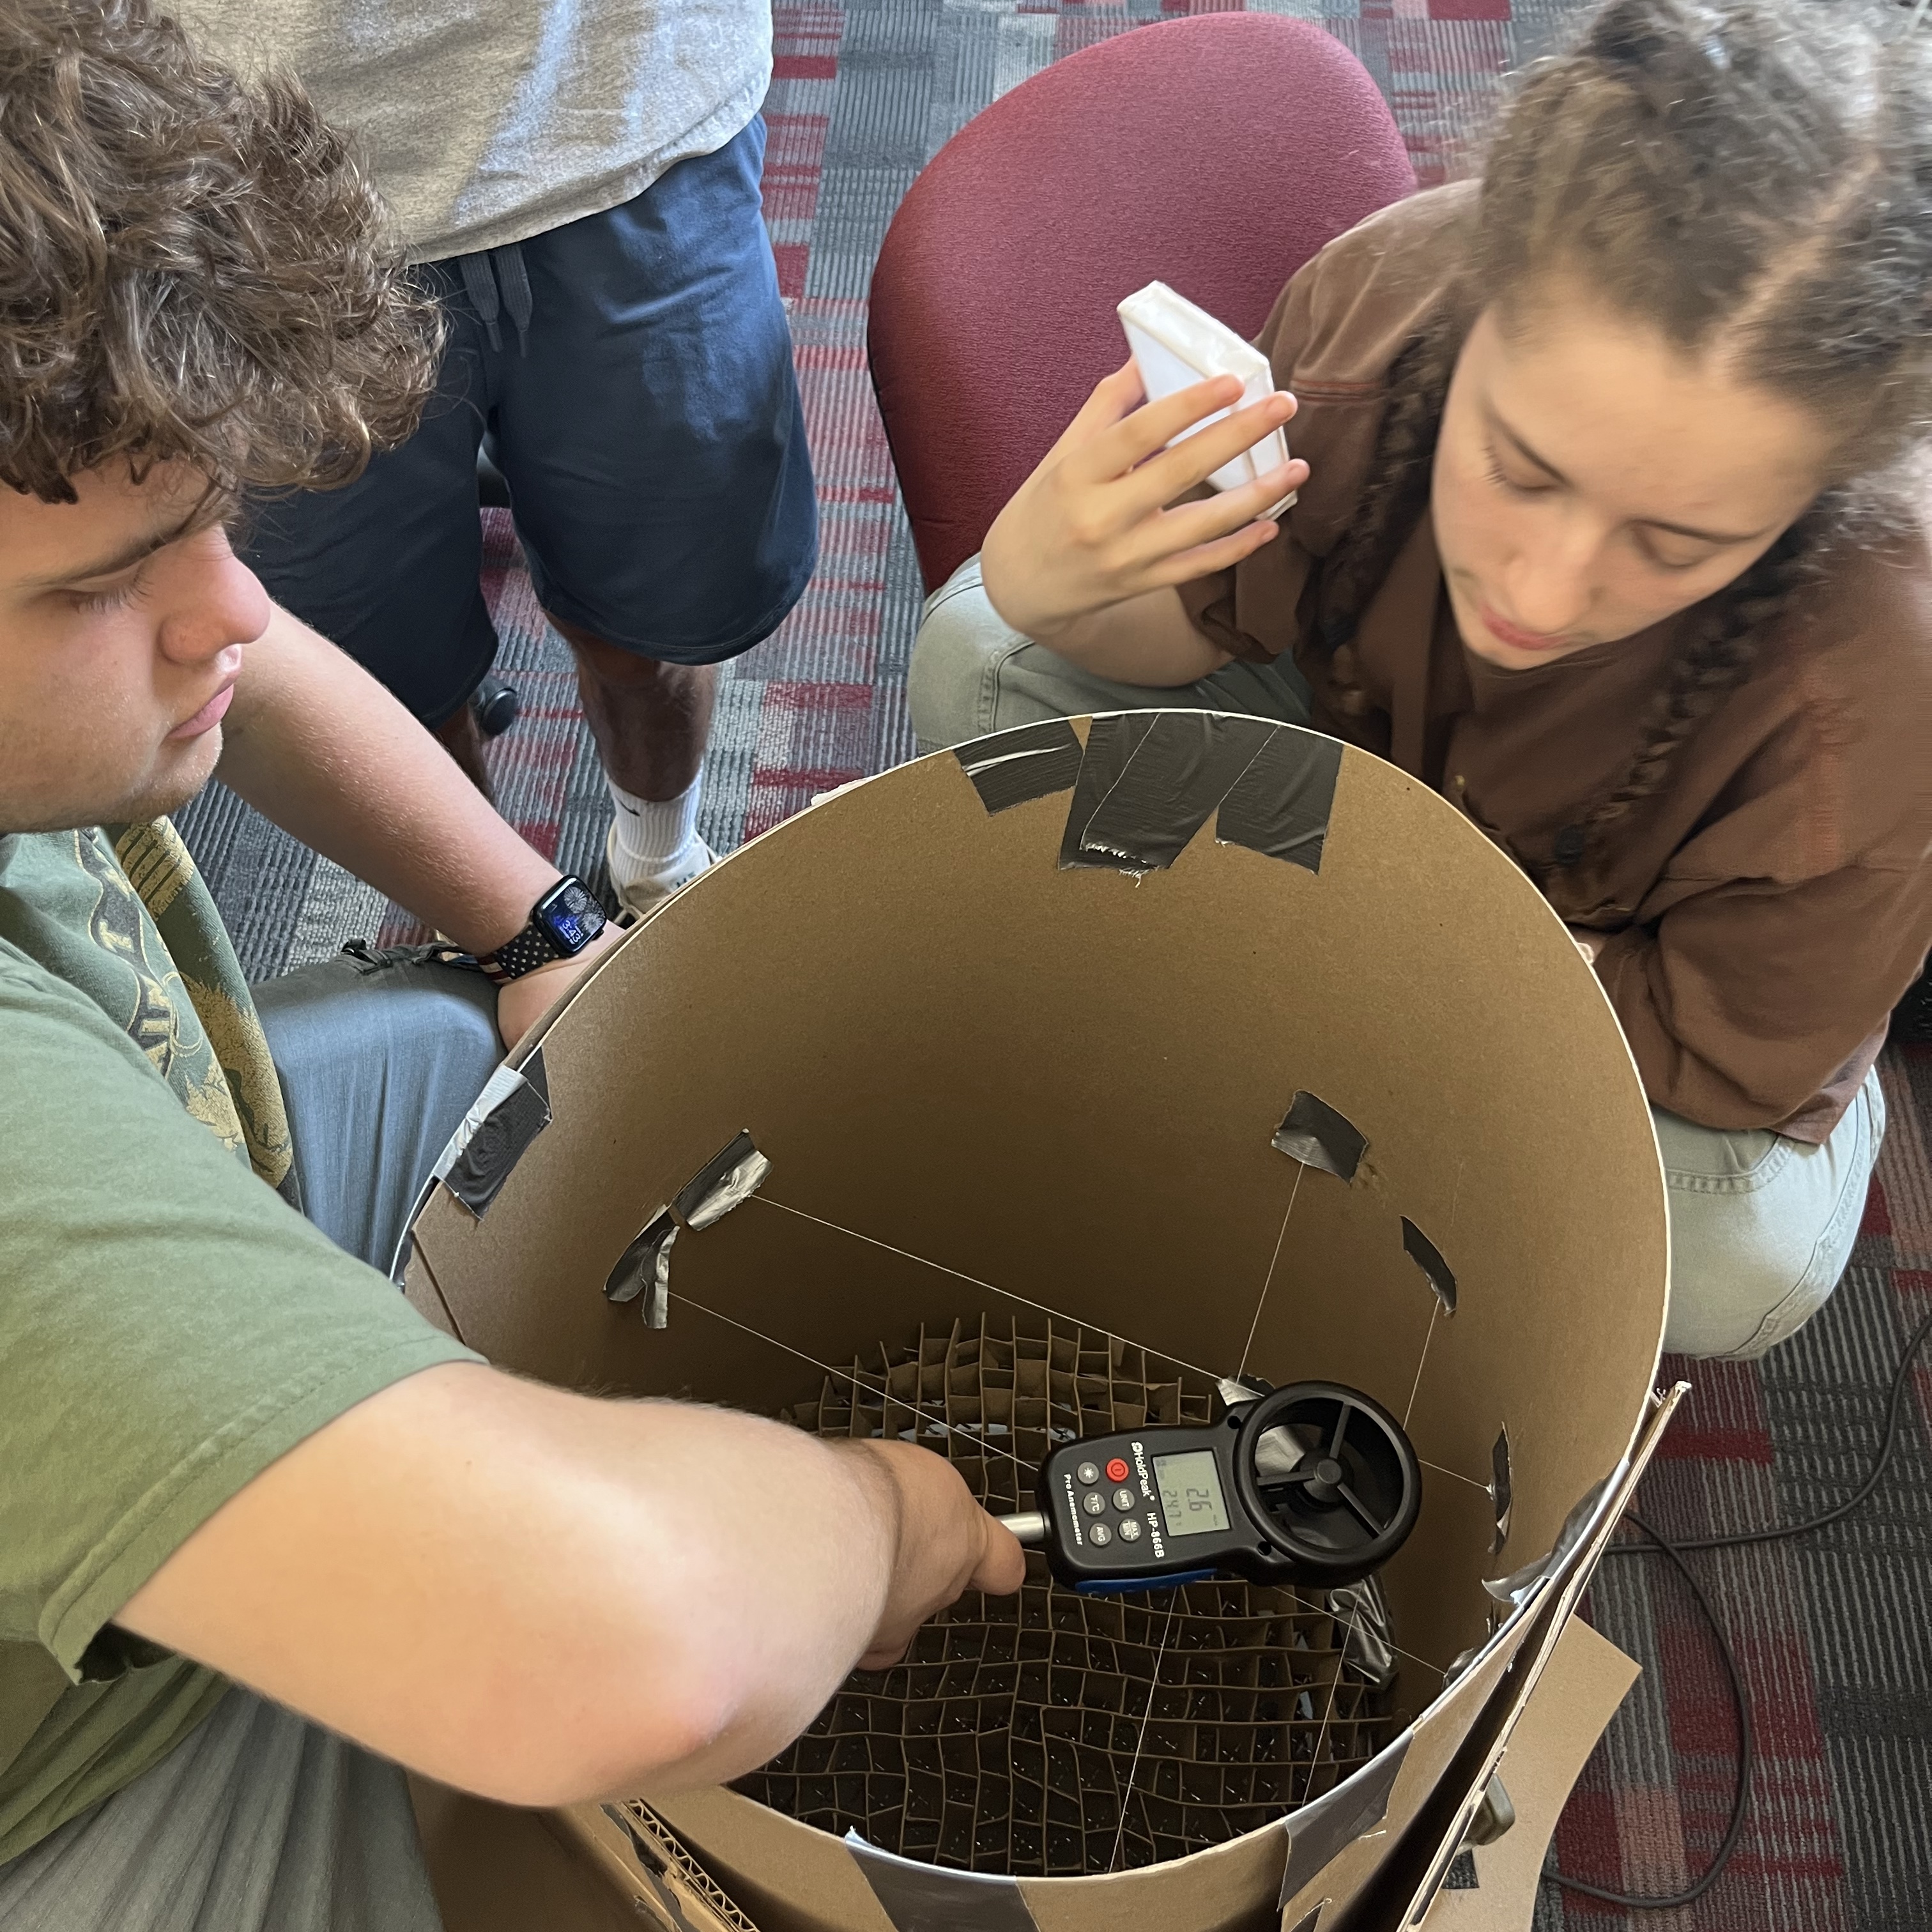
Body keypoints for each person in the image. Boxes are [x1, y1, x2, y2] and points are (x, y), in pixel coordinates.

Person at [0, 8, 1019, 1929]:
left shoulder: (88, 576)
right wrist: (886, 1517)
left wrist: (546, 936)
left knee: (526, 1054)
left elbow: (242, 652)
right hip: (81, 1780)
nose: (233, 608)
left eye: (206, 525)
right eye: (98, 590)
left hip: (177, 1128)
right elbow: (627, 1649)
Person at [909, 0, 1932, 1362]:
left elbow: (1724, 1053)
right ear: (1480, 305)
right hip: (1390, 764)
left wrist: (1392, 948)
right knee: (986, 646)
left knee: (1733, 1265)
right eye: (1520, 466)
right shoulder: (1385, 306)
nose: (1544, 596)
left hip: (1651, 976)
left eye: (1677, 543)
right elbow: (1218, 620)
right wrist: (1046, 577)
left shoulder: (1882, 688)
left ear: (1817, 498)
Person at [172, 0, 819, 909]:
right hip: (239, 177)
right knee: (379, 681)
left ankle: (657, 864)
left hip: (627, 114)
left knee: (651, 633)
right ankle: (496, 919)